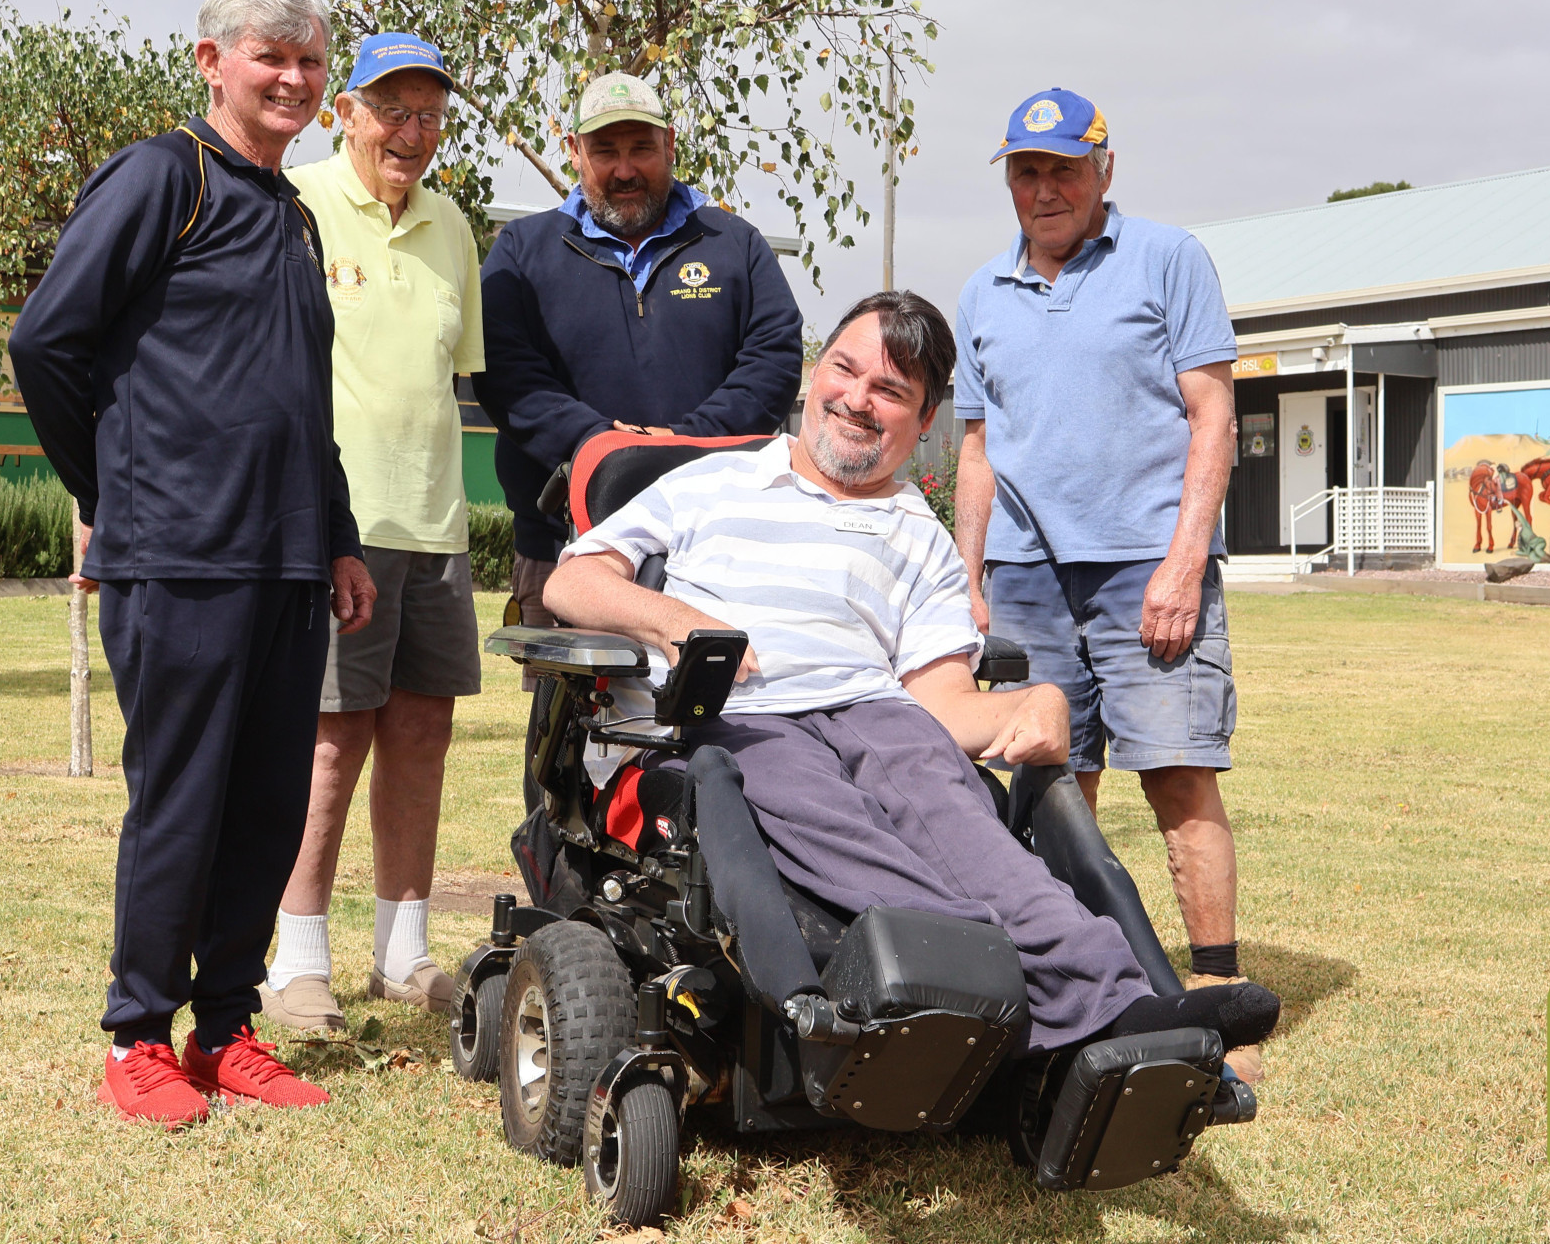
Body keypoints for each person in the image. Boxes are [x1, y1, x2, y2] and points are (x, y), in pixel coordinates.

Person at [544, 291, 1279, 1059]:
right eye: (846, 370)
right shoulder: (711, 482)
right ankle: (996, 992)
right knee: (849, 830)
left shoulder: (919, 536)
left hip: (878, 710)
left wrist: (1041, 701)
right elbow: (571, 584)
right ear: (814, 372)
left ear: (923, 421)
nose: (858, 401)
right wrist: (675, 619)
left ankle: (1124, 1005)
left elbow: (944, 703)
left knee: (974, 831)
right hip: (743, 715)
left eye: (890, 391)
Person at [9, 0, 376, 1125]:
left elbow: (300, 404)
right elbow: (46, 346)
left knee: (267, 803)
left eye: (311, 61)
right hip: (179, 557)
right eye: (271, 55)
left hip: (284, 562)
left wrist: (340, 540)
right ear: (211, 62)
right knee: (180, 799)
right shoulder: (162, 177)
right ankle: (136, 1035)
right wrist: (112, 494)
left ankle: (224, 1027)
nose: (294, 78)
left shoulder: (295, 212)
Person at [952, 88, 1254, 1013]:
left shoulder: (1168, 259)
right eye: (1025, 170)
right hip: (1027, 577)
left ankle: (1216, 984)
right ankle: (1074, 985)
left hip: (1145, 569)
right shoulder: (979, 293)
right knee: (1049, 783)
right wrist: (968, 577)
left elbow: (1214, 417)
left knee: (1177, 774)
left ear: (1104, 171)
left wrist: (1184, 562)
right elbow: (976, 451)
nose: (1044, 189)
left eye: (1063, 169)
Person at [256, 33, 485, 1032]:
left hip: (435, 524)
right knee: (330, 742)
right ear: (341, 112)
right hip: (335, 528)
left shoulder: (453, 229)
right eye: (392, 109)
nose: (411, 132)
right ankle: (294, 959)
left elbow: (452, 380)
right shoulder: (296, 205)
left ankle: (404, 952)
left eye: (429, 114)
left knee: (422, 735)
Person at [475, 71, 803, 627]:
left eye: (642, 149)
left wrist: (681, 441)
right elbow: (505, 373)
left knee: (716, 708)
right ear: (575, 152)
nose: (625, 170)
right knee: (569, 713)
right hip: (564, 543)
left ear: (670, 144)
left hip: (713, 544)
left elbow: (773, 361)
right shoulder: (521, 250)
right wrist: (604, 445)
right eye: (605, 150)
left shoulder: (736, 245)